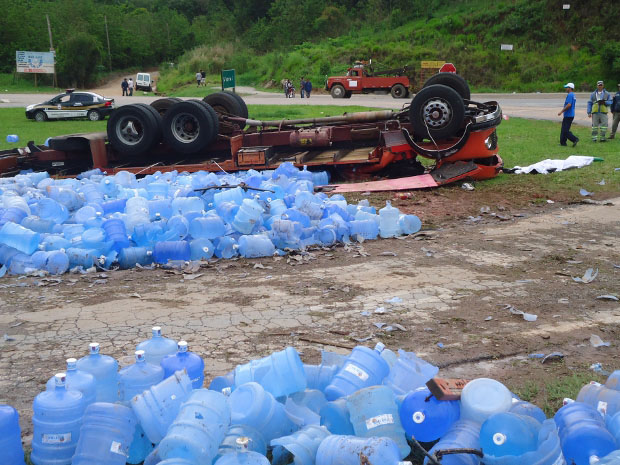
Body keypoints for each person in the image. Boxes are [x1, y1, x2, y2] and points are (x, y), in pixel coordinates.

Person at [558, 82, 579, 147]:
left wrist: (561, 111)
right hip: (569, 115)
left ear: (570, 88)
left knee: (565, 131)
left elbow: (569, 105)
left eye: (567, 87)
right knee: (563, 129)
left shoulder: (570, 95)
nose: (565, 88)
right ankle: (563, 143)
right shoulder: (573, 95)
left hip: (568, 115)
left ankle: (575, 139)